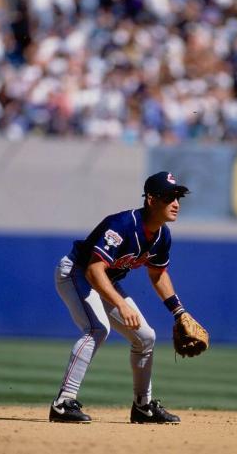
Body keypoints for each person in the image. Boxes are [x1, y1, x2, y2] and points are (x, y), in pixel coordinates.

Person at [49, 171, 191, 424]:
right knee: (97, 328)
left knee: (146, 337)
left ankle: (143, 407)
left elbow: (158, 275)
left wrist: (179, 312)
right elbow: (93, 270)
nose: (176, 203)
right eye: (170, 197)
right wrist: (120, 303)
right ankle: (63, 403)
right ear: (151, 199)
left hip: (105, 281)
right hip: (76, 272)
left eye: (178, 197)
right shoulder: (122, 225)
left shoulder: (162, 235)